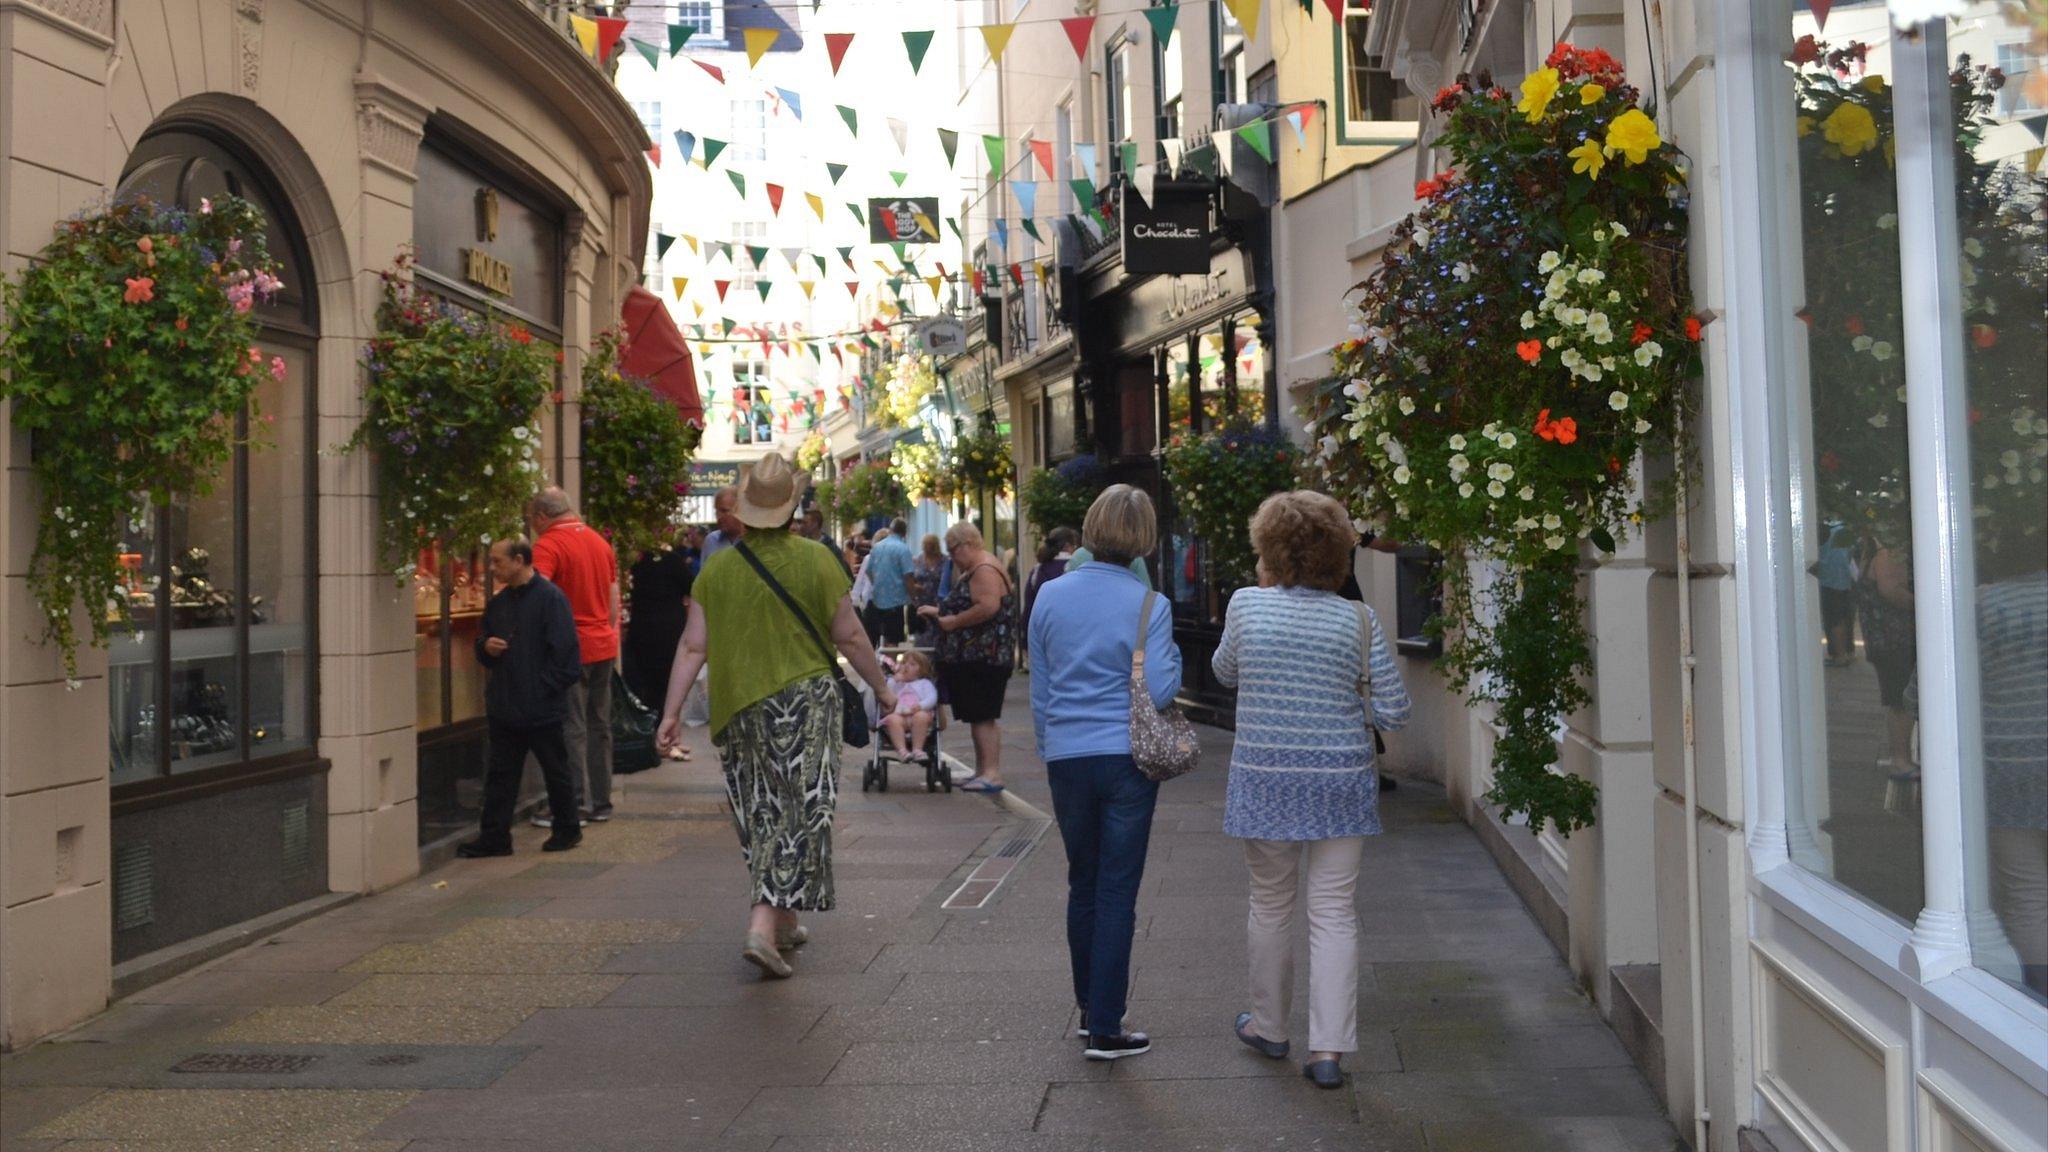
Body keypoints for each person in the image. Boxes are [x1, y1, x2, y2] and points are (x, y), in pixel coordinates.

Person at [655, 453, 895, 979]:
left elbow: (693, 647)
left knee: (760, 809)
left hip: (738, 704)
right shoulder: (816, 559)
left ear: (745, 512)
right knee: (803, 810)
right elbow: (850, 635)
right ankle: (762, 926)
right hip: (806, 701)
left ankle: (784, 920)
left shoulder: (716, 569)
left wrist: (670, 713)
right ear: (792, 509)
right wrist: (882, 688)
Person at [1213, 490, 1412, 1090]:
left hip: (1266, 777)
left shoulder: (1247, 606)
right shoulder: (1357, 618)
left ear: (1269, 548)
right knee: (1334, 912)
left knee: (1270, 903)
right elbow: (1396, 711)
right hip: (1341, 782)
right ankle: (1328, 1051)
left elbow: (1224, 672)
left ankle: (1270, 1027)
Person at [1028, 484, 1182, 1061]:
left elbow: (1042, 687)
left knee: (1083, 883)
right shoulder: (1151, 606)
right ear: (1143, 539)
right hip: (1126, 759)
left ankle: (1089, 1008)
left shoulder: (1049, 595)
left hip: (1067, 755)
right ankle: (1107, 1026)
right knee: (1117, 889)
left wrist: (1050, 748)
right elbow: (1162, 689)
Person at [458, 539, 585, 858]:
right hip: (505, 704)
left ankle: (567, 829)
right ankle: (495, 836)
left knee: (555, 769)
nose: (492, 568)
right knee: (500, 774)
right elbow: (483, 642)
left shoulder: (550, 599)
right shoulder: (499, 603)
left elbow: (567, 658)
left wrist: (541, 689)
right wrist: (485, 647)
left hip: (539, 705)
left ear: (518, 560)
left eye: (497, 562)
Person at [528, 487, 620, 826]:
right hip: (603, 644)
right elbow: (612, 599)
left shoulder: (548, 545)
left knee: (572, 725)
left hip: (571, 648)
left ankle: (574, 804)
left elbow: (538, 595)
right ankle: (601, 801)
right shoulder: (599, 542)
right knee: (599, 724)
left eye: (532, 520)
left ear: (541, 516)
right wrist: (606, 633)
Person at [919, 521, 1016, 794]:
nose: (951, 557)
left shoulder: (984, 568)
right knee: (978, 716)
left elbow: (987, 606)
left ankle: (991, 773)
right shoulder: (979, 567)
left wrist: (953, 622)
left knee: (982, 716)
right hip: (979, 656)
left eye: (953, 550)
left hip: (984, 656)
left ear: (967, 545)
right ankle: (982, 771)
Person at [625, 534, 694, 762]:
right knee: (667, 684)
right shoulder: (673, 560)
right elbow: (690, 587)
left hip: (641, 628)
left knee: (646, 685)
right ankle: (666, 740)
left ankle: (655, 738)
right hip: (669, 629)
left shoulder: (634, 563)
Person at [863, 517, 916, 648]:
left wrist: (879, 584)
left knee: (873, 639)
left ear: (891, 530)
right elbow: (908, 577)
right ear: (904, 533)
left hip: (877, 600)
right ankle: (889, 665)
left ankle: (878, 665)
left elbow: (869, 571)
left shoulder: (877, 548)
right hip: (896, 603)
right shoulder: (903, 549)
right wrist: (913, 598)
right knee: (892, 640)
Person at [881, 649, 939, 763]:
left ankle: (917, 749)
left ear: (921, 670)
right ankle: (902, 751)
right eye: (903, 663)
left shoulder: (924, 683)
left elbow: (932, 698)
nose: (906, 666)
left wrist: (921, 705)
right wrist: (894, 680)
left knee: (921, 716)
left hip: (917, 714)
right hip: (900, 715)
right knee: (892, 720)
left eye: (912, 664)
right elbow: (888, 694)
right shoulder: (897, 683)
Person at [1023, 527, 1080, 635]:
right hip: (1071, 631)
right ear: (1068, 546)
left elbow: (1029, 606)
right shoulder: (1077, 567)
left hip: (1042, 631)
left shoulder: (1038, 569)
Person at [1816, 524, 1858, 665]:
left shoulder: (1825, 531)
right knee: (1846, 618)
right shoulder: (1844, 530)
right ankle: (1848, 652)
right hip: (1845, 580)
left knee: (1834, 620)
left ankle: (1839, 656)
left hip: (1829, 580)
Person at [908, 533, 946, 647]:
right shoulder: (918, 560)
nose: (927, 547)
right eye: (925, 544)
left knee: (940, 631)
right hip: (921, 602)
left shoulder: (945, 560)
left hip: (938, 602)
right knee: (922, 635)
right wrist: (915, 587)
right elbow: (911, 579)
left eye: (930, 544)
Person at [703, 486, 744, 562]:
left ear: (740, 511)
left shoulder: (755, 541)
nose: (718, 516)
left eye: (724, 511)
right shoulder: (711, 541)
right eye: (716, 511)